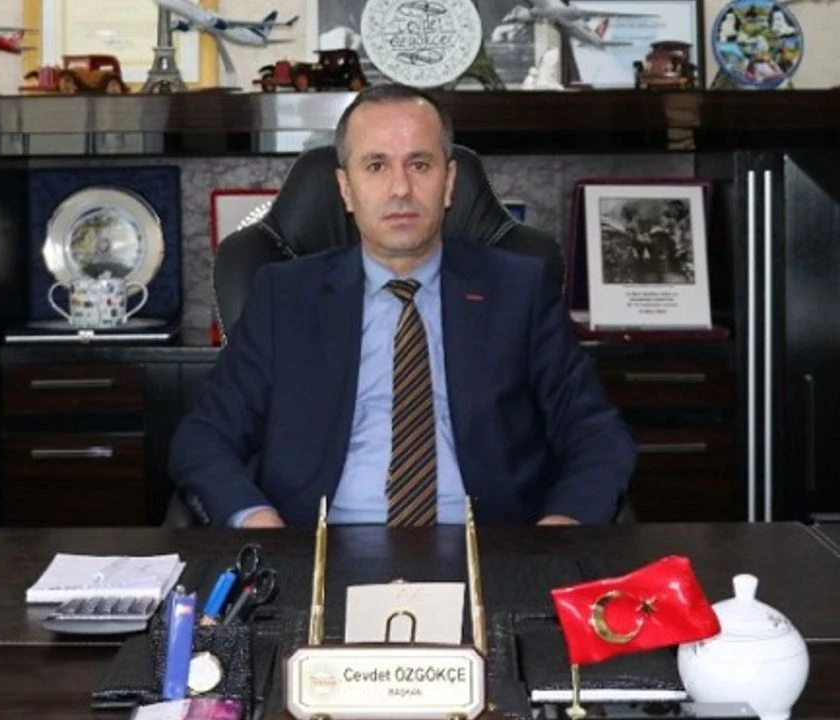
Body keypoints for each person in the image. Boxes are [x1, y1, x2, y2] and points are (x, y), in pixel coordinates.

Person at [169, 84, 635, 528]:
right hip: (316, 546)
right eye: (376, 166)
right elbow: (204, 436)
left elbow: (596, 434)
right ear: (346, 188)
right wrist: (255, 519)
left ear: (449, 182)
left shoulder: (519, 290)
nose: (400, 189)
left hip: (489, 548)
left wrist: (563, 526)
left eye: (420, 164)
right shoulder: (284, 295)